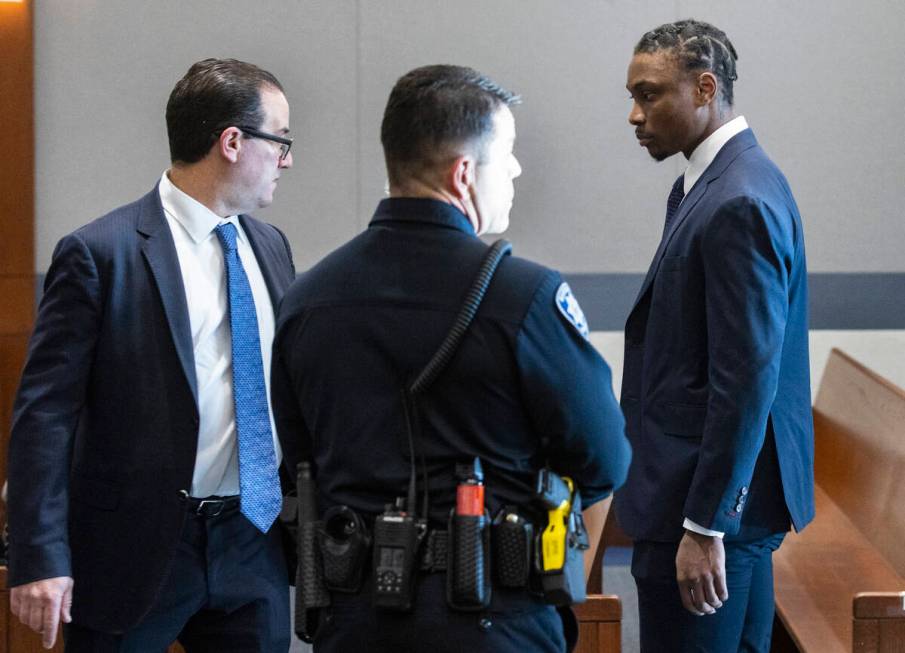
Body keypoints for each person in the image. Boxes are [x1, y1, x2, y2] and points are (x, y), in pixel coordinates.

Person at [271, 64, 631, 652]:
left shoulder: (308, 299)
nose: (515, 170)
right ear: (463, 173)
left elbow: (298, 459)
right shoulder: (524, 297)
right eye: (508, 154)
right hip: (494, 618)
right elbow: (606, 457)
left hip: (355, 619)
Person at [7, 58, 297, 651]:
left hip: (252, 539)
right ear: (233, 142)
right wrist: (39, 554)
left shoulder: (270, 246)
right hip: (134, 550)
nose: (288, 160)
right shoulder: (100, 253)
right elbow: (45, 414)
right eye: (282, 141)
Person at [613, 19, 815, 652]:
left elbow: (746, 378)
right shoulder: (719, 181)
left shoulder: (738, 200)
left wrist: (705, 525)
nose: (634, 115)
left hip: (701, 504)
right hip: (717, 498)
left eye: (649, 95)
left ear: (705, 89)